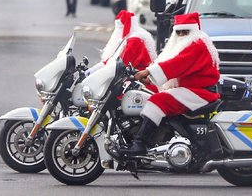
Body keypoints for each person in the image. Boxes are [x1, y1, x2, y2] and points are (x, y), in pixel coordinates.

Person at [119, 12, 220, 156]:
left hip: (199, 92)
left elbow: (177, 64)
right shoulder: (189, 43)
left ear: (193, 30)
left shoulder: (197, 44)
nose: (181, 34)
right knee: (150, 91)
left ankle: (139, 144)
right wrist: (148, 79)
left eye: (185, 31)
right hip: (190, 89)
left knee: (157, 101)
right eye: (178, 32)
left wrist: (148, 71)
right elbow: (174, 66)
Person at [86, 11, 157, 88]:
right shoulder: (132, 38)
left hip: (139, 81)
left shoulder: (134, 41)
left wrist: (97, 73)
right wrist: (94, 69)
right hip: (134, 77)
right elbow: (114, 59)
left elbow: (120, 63)